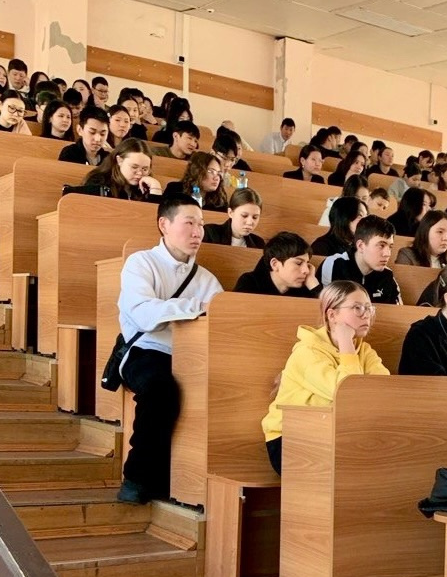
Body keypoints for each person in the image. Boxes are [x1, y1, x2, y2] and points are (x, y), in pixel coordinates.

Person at [115, 194, 224, 503]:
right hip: (146, 351)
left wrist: (188, 309)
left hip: (192, 356)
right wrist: (196, 307)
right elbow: (144, 315)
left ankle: (196, 482)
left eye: (201, 225)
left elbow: (219, 317)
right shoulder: (141, 263)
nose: (198, 232)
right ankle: (138, 478)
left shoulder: (207, 279)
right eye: (189, 223)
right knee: (161, 388)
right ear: (164, 224)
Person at [261, 280, 387, 474]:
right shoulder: (307, 352)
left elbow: (382, 389)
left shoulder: (365, 351)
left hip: (335, 434)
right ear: (332, 315)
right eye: (357, 308)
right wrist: (345, 342)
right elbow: (345, 393)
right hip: (290, 439)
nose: (366, 315)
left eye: (369, 308)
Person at [317, 215, 401, 305]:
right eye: (381, 245)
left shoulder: (387, 275)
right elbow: (325, 307)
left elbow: (398, 311)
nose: (387, 254)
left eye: (390, 247)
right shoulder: (334, 265)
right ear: (361, 246)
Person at [233, 232, 321, 297]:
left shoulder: (306, 287)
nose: (306, 270)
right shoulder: (249, 283)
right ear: (275, 264)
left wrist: (315, 287)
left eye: (307, 263)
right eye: (298, 263)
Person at [83, 138, 161, 200]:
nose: (140, 173)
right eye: (134, 167)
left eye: (145, 169)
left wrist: (155, 188)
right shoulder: (98, 181)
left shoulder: (147, 186)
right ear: (119, 161)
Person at [162, 151, 227, 212]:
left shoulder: (220, 200)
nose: (216, 178)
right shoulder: (175, 190)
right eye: (211, 171)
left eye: (218, 173)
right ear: (197, 171)